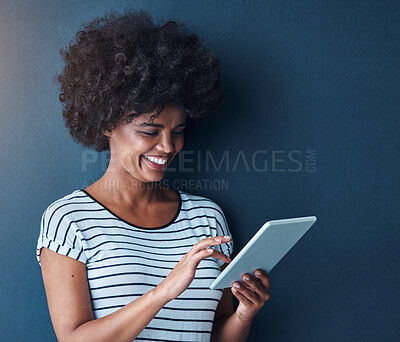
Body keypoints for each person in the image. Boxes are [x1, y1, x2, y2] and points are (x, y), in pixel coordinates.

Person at [36, 9, 270, 342]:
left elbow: (215, 335)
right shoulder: (69, 220)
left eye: (178, 131)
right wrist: (165, 291)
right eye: (150, 130)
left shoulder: (207, 218)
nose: (168, 146)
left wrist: (244, 315)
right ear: (106, 122)